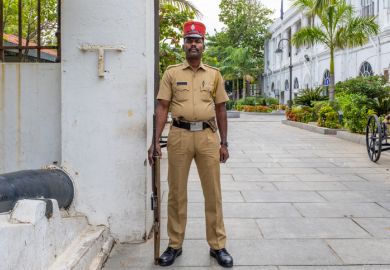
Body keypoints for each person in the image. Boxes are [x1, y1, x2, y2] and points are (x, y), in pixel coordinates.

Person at [148, 21, 233, 268]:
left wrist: (224, 143)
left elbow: (221, 109)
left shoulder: (214, 74)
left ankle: (218, 246)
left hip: (207, 137)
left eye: (197, 40)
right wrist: (155, 141)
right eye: (189, 40)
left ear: (203, 45)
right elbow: (162, 107)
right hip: (179, 136)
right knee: (176, 192)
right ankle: (174, 244)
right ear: (183, 45)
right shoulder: (172, 73)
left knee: (213, 193)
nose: (193, 44)